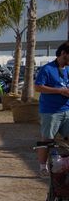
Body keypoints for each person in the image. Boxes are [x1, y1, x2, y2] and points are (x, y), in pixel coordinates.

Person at [34, 41, 69, 177]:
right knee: (47, 140)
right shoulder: (47, 69)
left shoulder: (67, 69)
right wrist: (59, 90)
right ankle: (43, 166)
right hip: (51, 111)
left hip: (67, 110)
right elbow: (38, 87)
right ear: (63, 53)